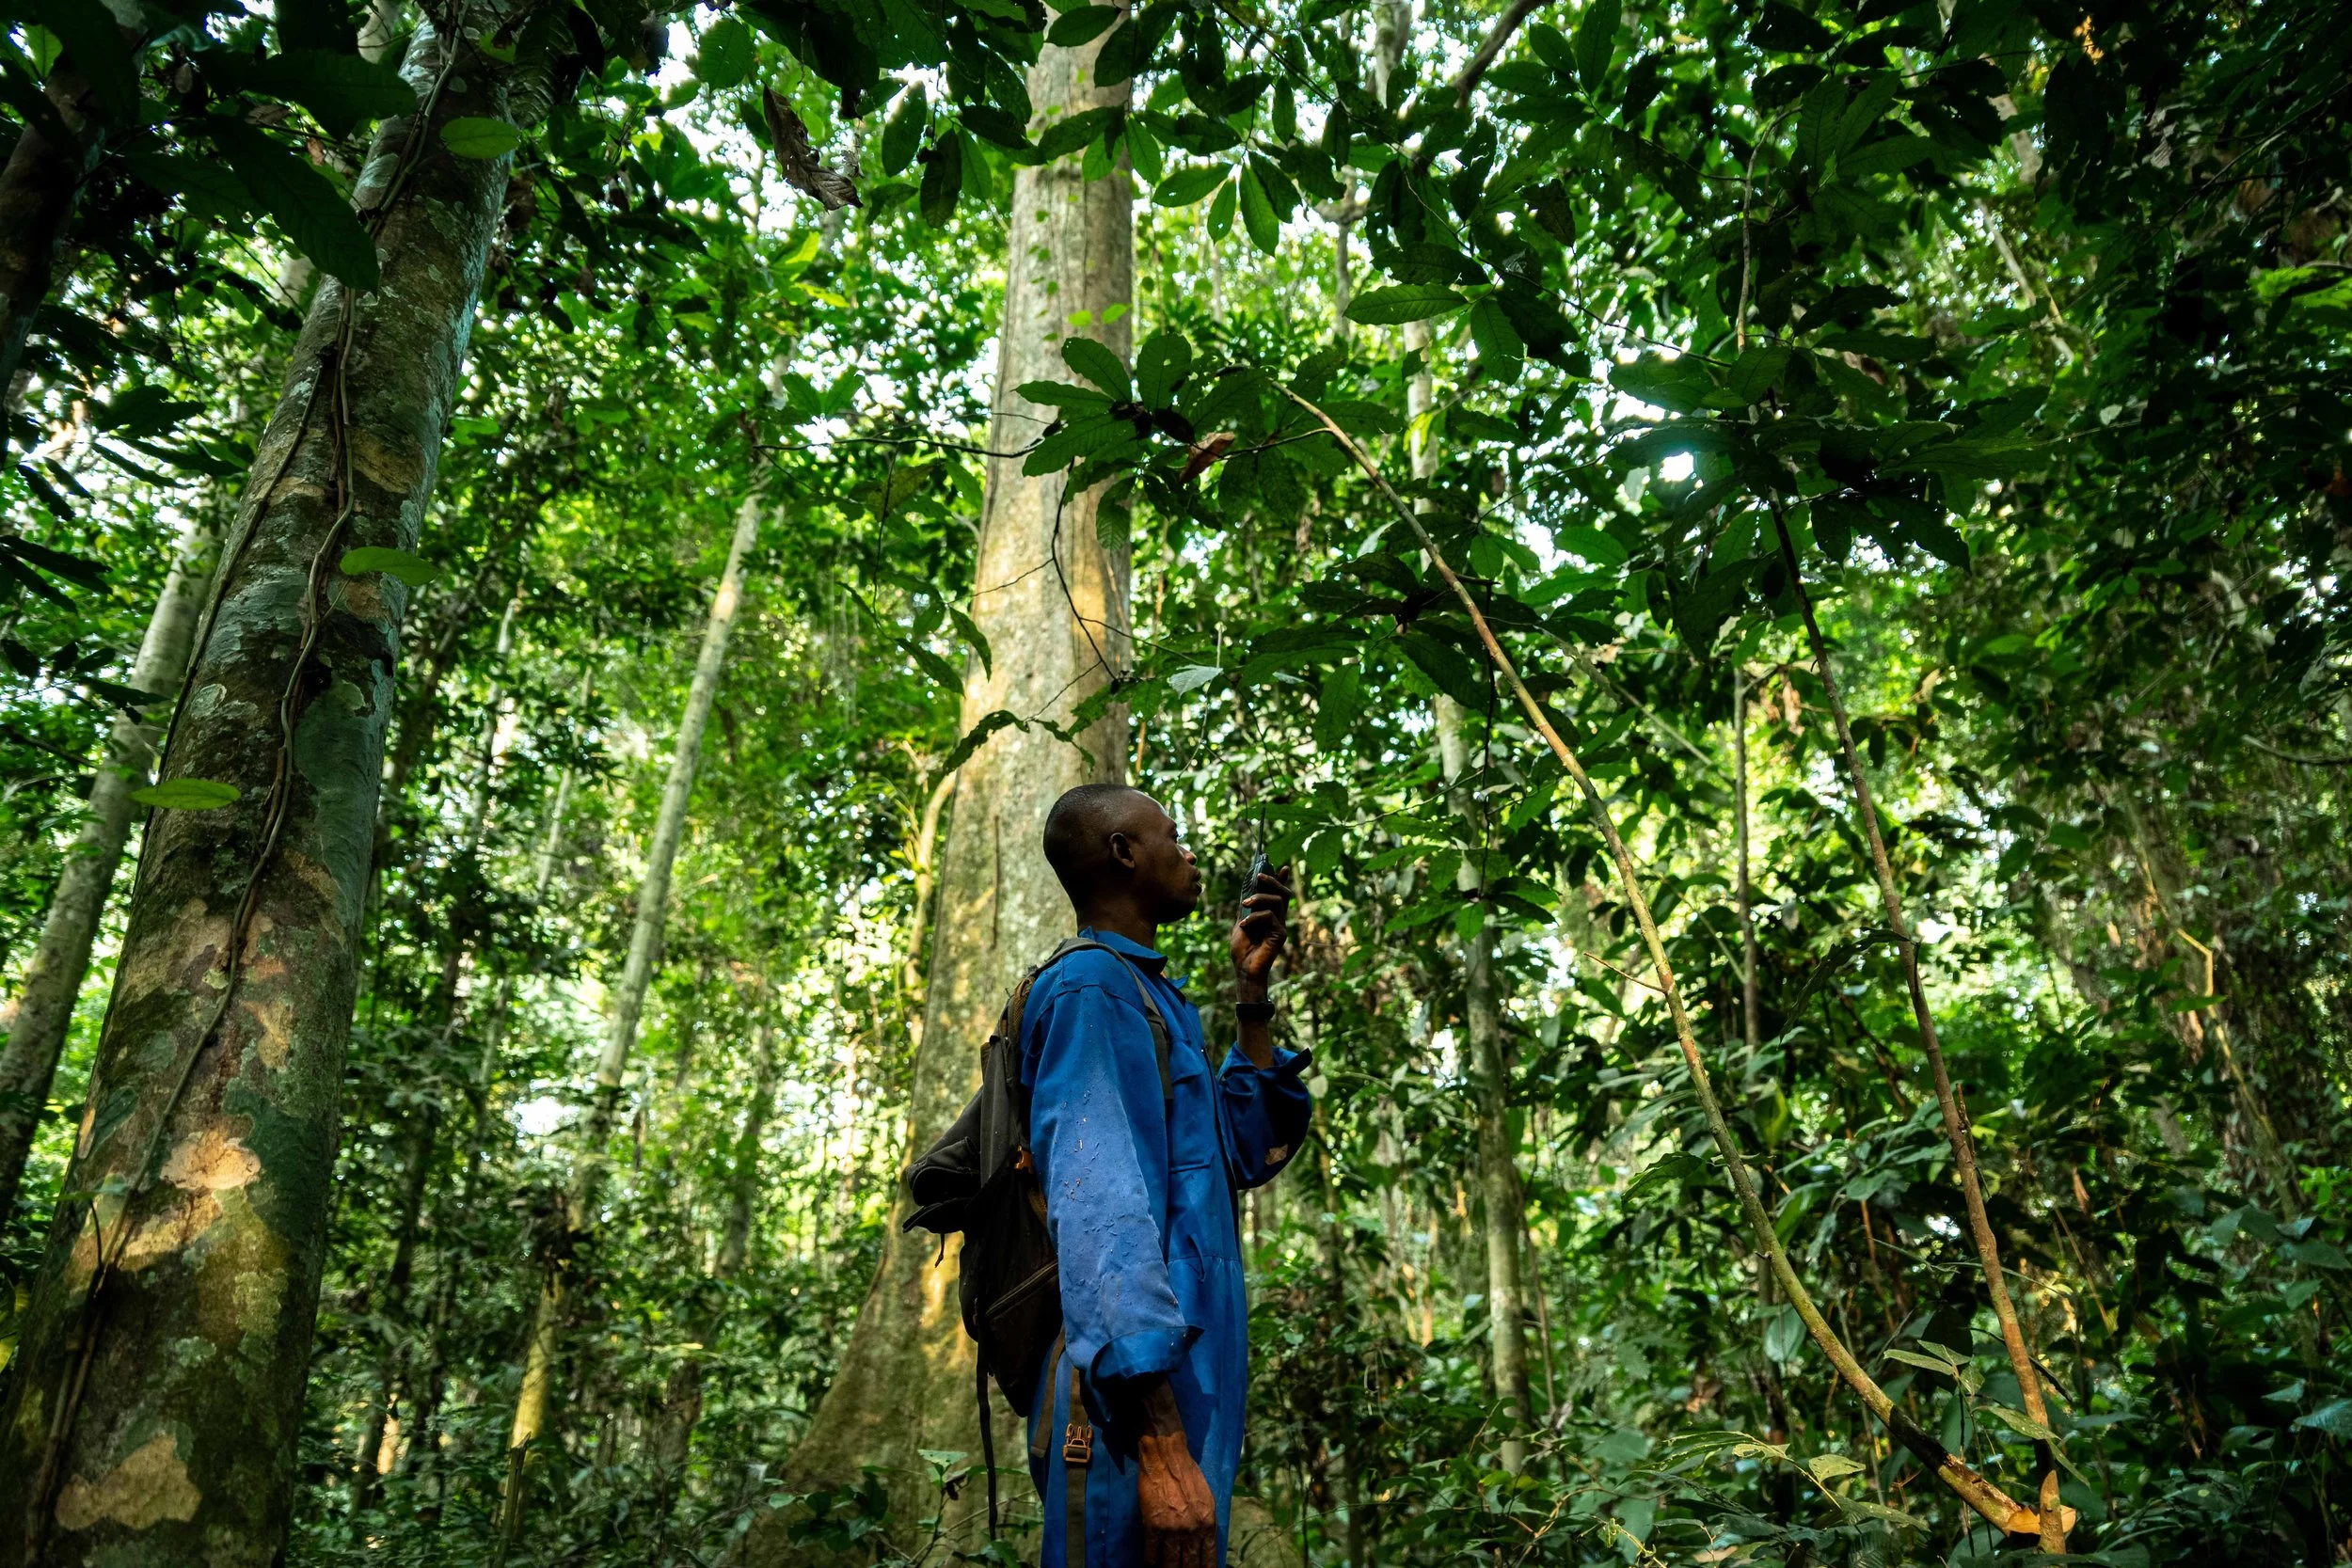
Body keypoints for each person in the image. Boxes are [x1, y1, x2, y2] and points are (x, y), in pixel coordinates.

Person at [1022, 783, 1311, 1568]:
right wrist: (1161, 1446)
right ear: (1122, 852)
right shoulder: (1091, 990)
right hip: (1130, 1416)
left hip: (1190, 1391)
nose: (1191, 854)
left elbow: (1248, 1152)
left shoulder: (1155, 999)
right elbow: (1100, 1217)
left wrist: (1252, 995)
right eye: (1174, 837)